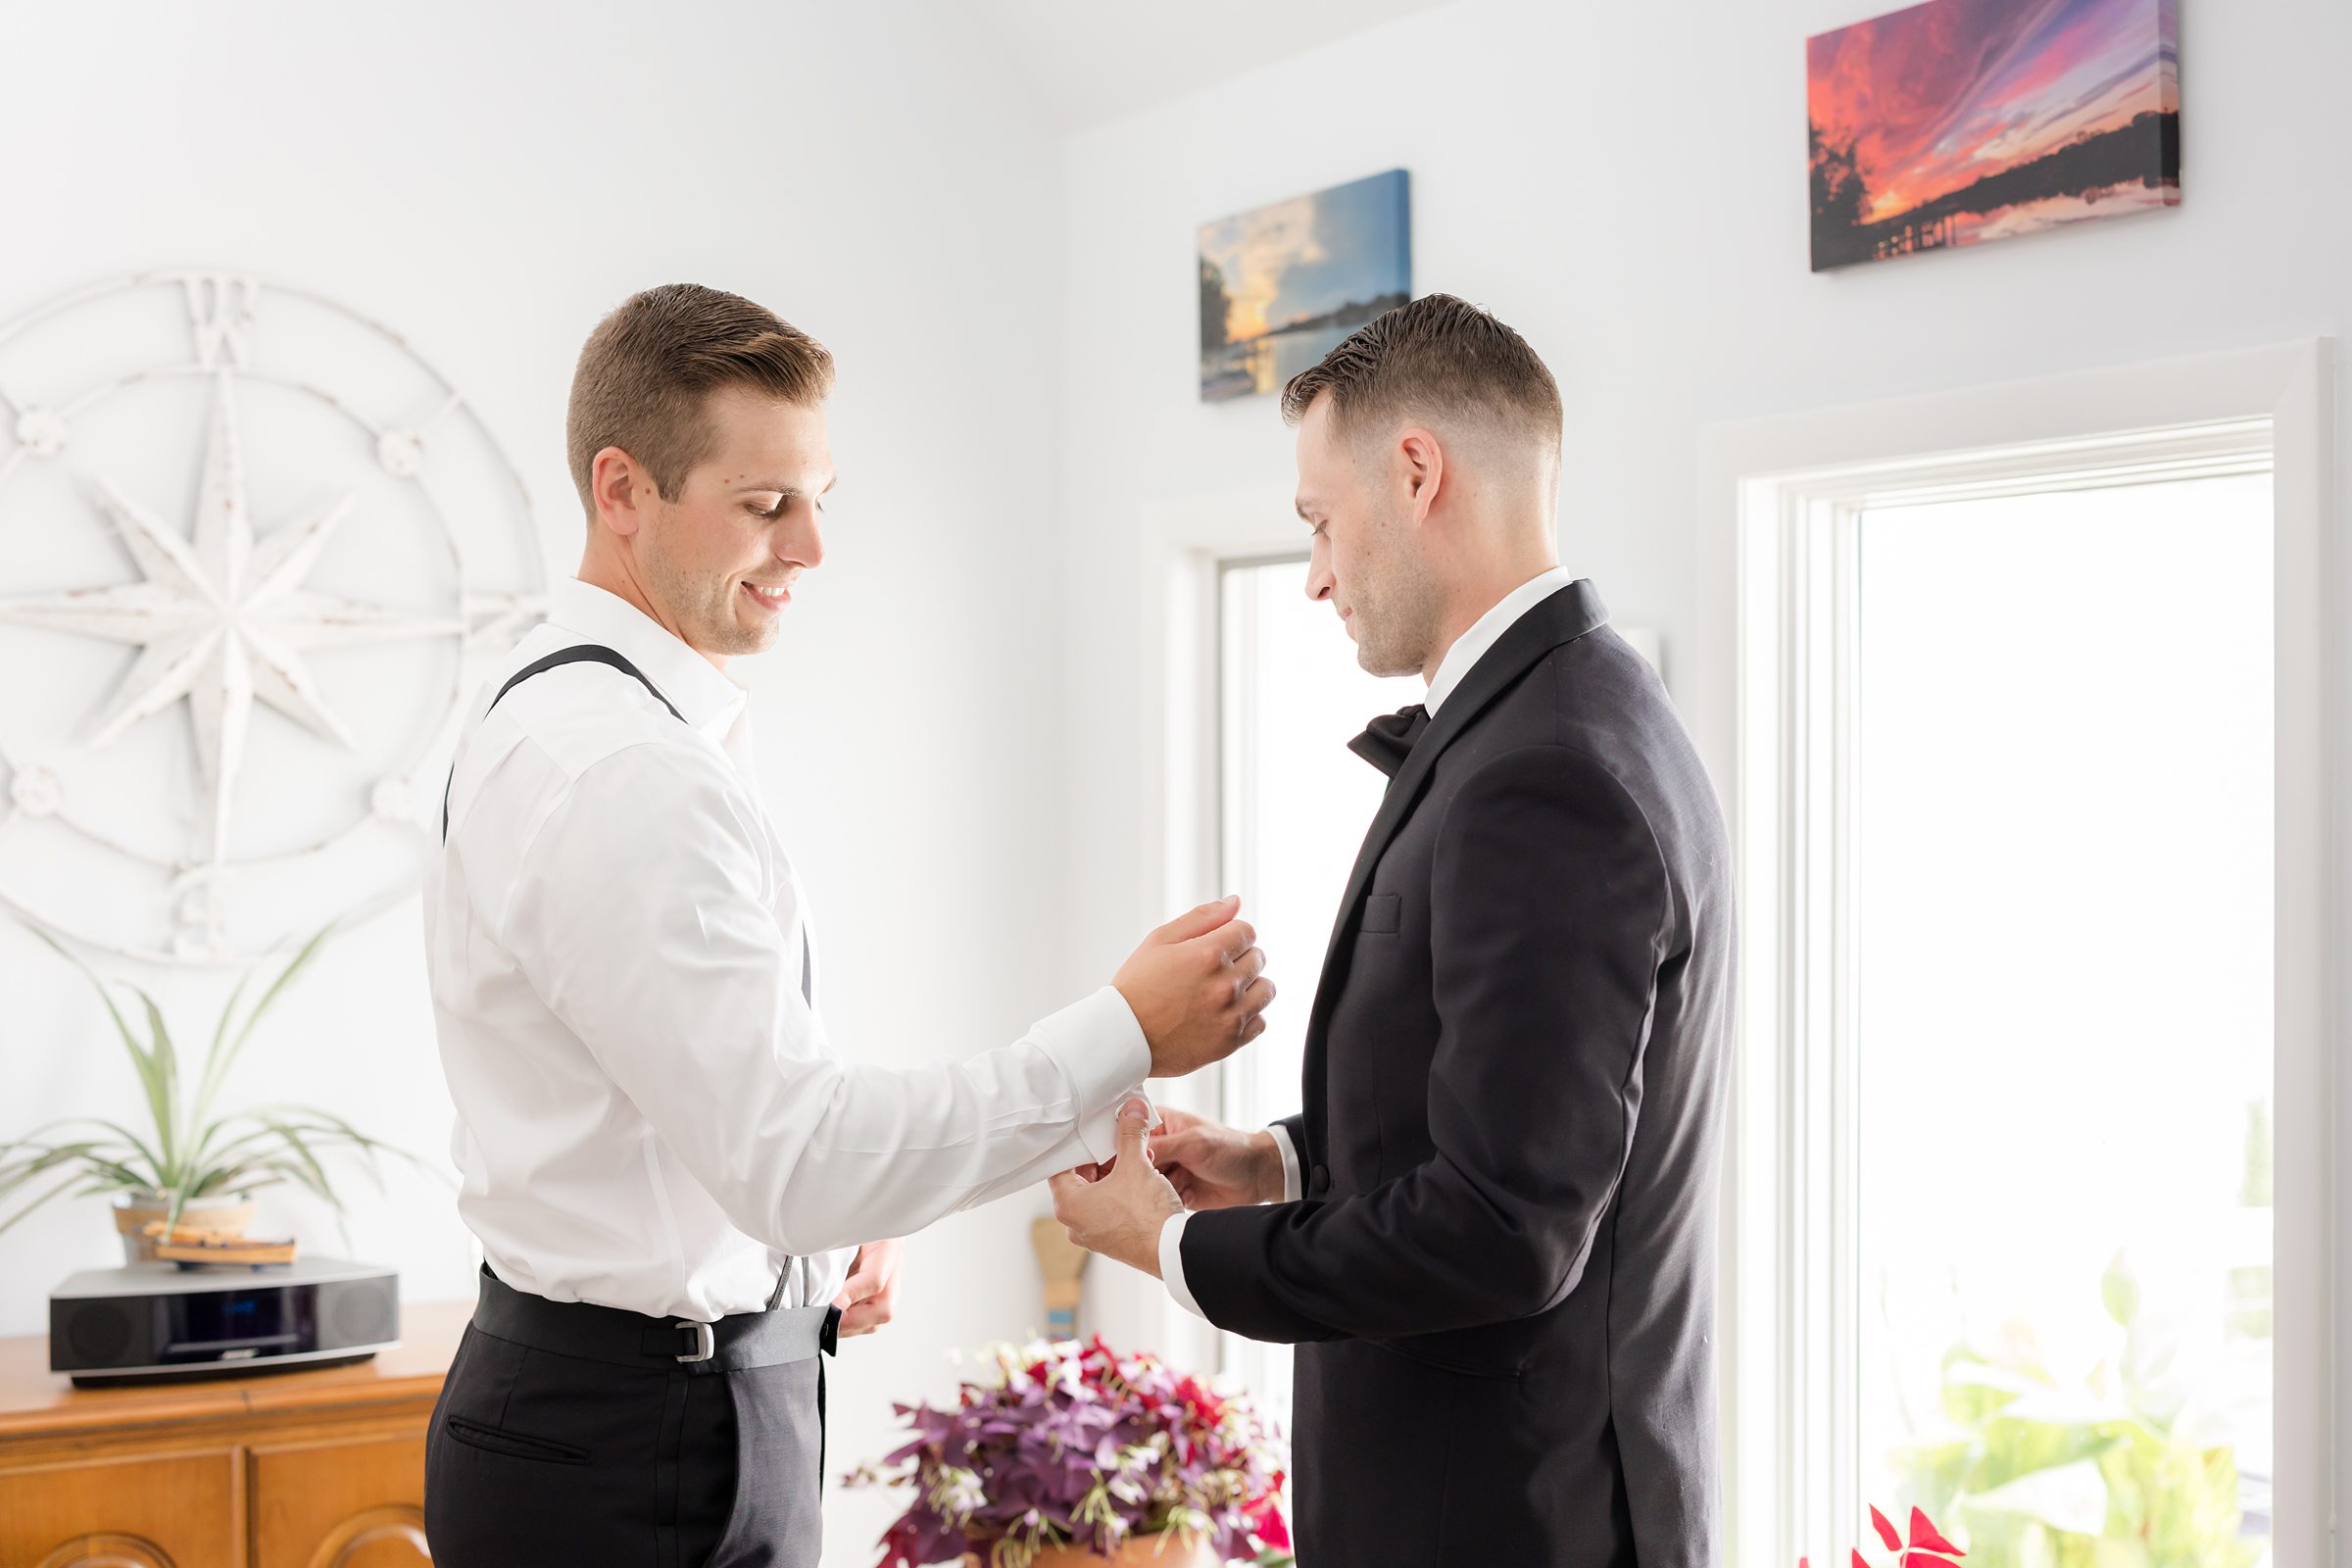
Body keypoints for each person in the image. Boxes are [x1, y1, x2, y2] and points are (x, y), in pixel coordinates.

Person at [421, 283, 1272, 1568]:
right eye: (766, 506)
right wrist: (1121, 1037)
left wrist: (801, 1253)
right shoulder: (623, 772)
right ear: (621, 489)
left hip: (654, 1414)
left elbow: (719, 1125)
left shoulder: (601, 726)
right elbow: (794, 1161)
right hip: (630, 1454)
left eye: (821, 499)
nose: (811, 549)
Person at [1050, 294, 1733, 1565]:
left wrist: (1174, 1245)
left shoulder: (1549, 774)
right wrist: (1281, 1167)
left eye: (1318, 521)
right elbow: (1510, 1117)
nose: (1313, 575)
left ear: (1416, 472)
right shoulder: (1584, 709)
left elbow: (1505, 1226)